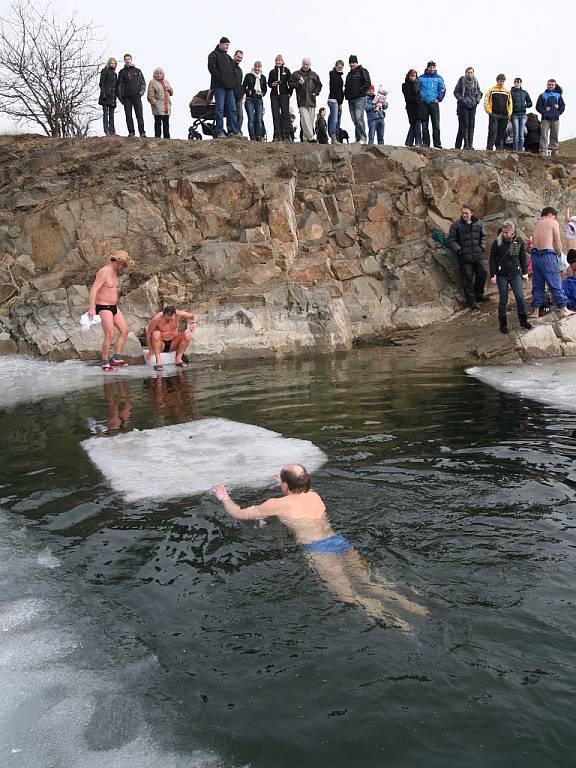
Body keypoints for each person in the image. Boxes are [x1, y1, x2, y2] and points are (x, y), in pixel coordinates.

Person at [212, 464, 429, 629]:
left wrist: (224, 498)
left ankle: (402, 626)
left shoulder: (276, 504)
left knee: (348, 595)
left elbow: (239, 514)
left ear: (286, 486)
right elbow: (299, 493)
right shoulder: (315, 496)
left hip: (319, 550)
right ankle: (416, 608)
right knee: (371, 582)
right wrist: (285, 482)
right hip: (339, 542)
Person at [88, 250, 136, 371]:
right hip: (103, 306)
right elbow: (94, 289)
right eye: (123, 265)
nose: (123, 267)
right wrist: (92, 308)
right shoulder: (104, 271)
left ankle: (116, 357)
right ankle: (105, 361)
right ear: (118, 261)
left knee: (124, 330)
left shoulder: (115, 272)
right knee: (110, 334)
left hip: (113, 306)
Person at [530, 207, 575, 318]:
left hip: (535, 256)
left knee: (537, 284)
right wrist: (560, 255)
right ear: (551, 215)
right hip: (547, 255)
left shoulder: (536, 224)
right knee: (555, 283)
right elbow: (557, 241)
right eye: (554, 216)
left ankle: (535, 311)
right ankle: (564, 309)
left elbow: (531, 244)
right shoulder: (552, 222)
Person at [489, 220, 532, 333]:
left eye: (507, 232)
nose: (505, 235)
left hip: (515, 274)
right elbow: (493, 259)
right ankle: (503, 324)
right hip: (501, 275)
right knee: (503, 299)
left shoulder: (517, 241)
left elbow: (521, 258)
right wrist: (493, 274)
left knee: (519, 296)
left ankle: (523, 321)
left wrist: (525, 272)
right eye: (504, 232)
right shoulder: (497, 243)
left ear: (513, 232)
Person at [447, 205, 488, 310]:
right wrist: (459, 250)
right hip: (464, 257)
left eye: (466, 213)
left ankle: (479, 295)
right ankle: (472, 301)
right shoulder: (456, 225)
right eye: (463, 213)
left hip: (477, 255)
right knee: (468, 279)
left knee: (483, 273)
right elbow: (451, 240)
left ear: (472, 213)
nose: (464, 215)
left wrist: (482, 247)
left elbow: (483, 236)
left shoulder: (479, 223)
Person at [145, 306, 200, 371]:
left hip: (173, 343)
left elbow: (195, 315)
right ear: (164, 315)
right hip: (161, 345)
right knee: (156, 333)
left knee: (187, 334)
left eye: (172, 319)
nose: (170, 321)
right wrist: (151, 349)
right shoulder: (157, 319)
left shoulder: (178, 314)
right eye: (168, 320)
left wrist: (194, 323)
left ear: (175, 314)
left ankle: (178, 359)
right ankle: (158, 363)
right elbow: (148, 334)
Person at [208, 37, 241, 138]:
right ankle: (220, 132)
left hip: (229, 88)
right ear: (220, 44)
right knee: (220, 110)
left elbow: (233, 72)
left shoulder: (228, 58)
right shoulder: (213, 55)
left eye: (228, 45)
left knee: (232, 109)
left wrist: (232, 83)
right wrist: (221, 79)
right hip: (219, 87)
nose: (227, 47)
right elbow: (212, 69)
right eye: (226, 45)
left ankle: (233, 131)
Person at [289, 59, 322, 142]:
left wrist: (316, 92)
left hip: (312, 100)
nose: (305, 66)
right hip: (301, 100)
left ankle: (305, 138)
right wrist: (298, 83)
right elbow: (290, 84)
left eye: (307, 64)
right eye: (304, 64)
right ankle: (311, 137)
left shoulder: (314, 75)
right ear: (302, 64)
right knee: (305, 119)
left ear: (310, 65)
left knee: (309, 121)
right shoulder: (296, 74)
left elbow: (319, 84)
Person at [116, 54, 146, 137]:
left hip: (137, 96)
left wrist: (140, 93)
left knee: (139, 115)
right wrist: (121, 98)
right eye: (125, 59)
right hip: (126, 97)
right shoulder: (122, 72)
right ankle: (131, 132)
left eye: (129, 59)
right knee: (128, 115)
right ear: (124, 61)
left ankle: (142, 132)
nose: (127, 60)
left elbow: (143, 83)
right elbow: (119, 86)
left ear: (131, 60)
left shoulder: (138, 70)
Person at [417, 61, 445, 148]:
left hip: (434, 103)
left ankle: (437, 144)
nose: (432, 69)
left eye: (433, 67)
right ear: (427, 68)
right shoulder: (421, 78)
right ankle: (426, 143)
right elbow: (417, 89)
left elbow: (442, 89)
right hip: (423, 104)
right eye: (430, 67)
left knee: (436, 124)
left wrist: (439, 99)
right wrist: (420, 99)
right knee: (424, 125)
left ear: (435, 68)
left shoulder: (439, 78)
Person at [453, 67, 482, 150]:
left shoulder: (475, 81)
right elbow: (456, 92)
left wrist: (477, 100)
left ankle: (470, 144)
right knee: (464, 124)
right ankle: (465, 144)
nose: (470, 74)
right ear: (465, 73)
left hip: (473, 105)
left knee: (472, 124)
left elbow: (479, 92)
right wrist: (462, 99)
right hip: (463, 105)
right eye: (468, 72)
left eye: (471, 72)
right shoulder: (461, 80)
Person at [344, 55, 371, 144]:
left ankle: (363, 138)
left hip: (359, 98)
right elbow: (347, 86)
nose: (352, 64)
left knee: (359, 118)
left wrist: (360, 92)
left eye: (353, 62)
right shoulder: (349, 74)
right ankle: (358, 138)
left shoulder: (363, 71)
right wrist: (346, 94)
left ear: (357, 62)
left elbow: (367, 83)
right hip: (350, 99)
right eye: (350, 63)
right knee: (354, 119)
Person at [536, 79, 565, 157]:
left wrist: (558, 112)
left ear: (555, 85)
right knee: (544, 136)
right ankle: (543, 152)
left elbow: (562, 106)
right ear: (547, 85)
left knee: (554, 136)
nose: (550, 86)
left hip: (555, 119)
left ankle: (554, 152)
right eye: (549, 84)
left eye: (552, 84)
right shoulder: (542, 95)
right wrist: (544, 112)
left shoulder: (558, 95)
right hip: (545, 119)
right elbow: (538, 107)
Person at [484, 74, 512, 151]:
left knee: (501, 132)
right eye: (500, 81)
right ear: (497, 81)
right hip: (494, 114)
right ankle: (489, 148)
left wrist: (509, 113)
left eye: (503, 81)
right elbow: (486, 101)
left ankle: (499, 148)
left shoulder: (507, 91)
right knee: (492, 131)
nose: (502, 83)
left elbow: (510, 103)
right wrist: (489, 112)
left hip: (504, 115)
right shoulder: (491, 90)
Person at [268, 55, 292, 141]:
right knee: (275, 116)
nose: (278, 62)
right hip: (274, 96)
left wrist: (290, 93)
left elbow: (291, 82)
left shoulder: (287, 70)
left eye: (280, 60)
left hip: (284, 95)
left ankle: (286, 135)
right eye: (277, 60)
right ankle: (277, 135)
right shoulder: (272, 72)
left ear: (282, 61)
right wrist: (272, 84)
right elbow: (269, 83)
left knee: (285, 115)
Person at [243, 61, 267, 141]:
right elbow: (243, 87)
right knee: (251, 118)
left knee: (259, 119)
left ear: (261, 68)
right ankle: (252, 137)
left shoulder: (263, 77)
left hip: (259, 99)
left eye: (258, 67)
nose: (257, 68)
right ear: (254, 67)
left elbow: (265, 89)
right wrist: (249, 92)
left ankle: (258, 136)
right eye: (256, 67)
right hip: (250, 99)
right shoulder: (248, 76)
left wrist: (262, 93)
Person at [146, 68, 173, 139]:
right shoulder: (152, 82)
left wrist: (169, 88)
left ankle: (167, 139)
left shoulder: (166, 81)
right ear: (154, 74)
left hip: (166, 106)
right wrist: (156, 104)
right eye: (157, 73)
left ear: (163, 74)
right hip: (158, 106)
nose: (159, 75)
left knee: (166, 123)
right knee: (158, 122)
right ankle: (157, 138)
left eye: (160, 73)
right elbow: (150, 96)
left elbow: (171, 93)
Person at [402, 69, 424, 147]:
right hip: (411, 107)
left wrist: (419, 100)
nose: (412, 78)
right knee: (415, 123)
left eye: (414, 76)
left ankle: (409, 142)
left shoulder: (417, 85)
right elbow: (408, 97)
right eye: (411, 76)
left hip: (418, 107)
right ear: (408, 76)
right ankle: (418, 142)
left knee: (415, 124)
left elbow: (420, 95)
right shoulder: (405, 85)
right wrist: (417, 99)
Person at [510, 77, 532, 152]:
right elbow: (508, 103)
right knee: (515, 133)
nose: (516, 83)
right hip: (514, 114)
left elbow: (530, 103)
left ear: (521, 83)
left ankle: (521, 150)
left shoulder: (524, 92)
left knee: (521, 134)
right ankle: (515, 150)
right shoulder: (511, 92)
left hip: (523, 114)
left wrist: (525, 105)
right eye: (515, 82)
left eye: (518, 82)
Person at [98, 58, 118, 136]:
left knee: (112, 114)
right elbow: (101, 83)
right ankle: (106, 130)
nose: (112, 65)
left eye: (114, 63)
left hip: (112, 97)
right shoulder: (104, 71)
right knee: (105, 113)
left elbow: (115, 86)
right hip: (105, 96)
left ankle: (112, 131)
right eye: (111, 63)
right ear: (108, 63)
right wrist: (104, 94)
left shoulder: (115, 74)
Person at [327, 60, 344, 144]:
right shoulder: (333, 74)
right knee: (334, 119)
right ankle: (333, 137)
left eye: (341, 67)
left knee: (336, 118)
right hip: (334, 100)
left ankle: (335, 137)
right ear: (336, 66)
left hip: (338, 100)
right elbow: (336, 89)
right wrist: (339, 101)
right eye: (339, 67)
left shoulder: (339, 76)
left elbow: (341, 90)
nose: (340, 68)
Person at [228, 50, 244, 136]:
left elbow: (240, 83)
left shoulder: (240, 70)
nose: (239, 59)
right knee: (231, 113)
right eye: (238, 57)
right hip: (231, 94)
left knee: (240, 115)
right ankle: (231, 131)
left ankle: (238, 131)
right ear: (234, 56)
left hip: (239, 95)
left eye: (241, 58)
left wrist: (242, 93)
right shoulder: (229, 67)